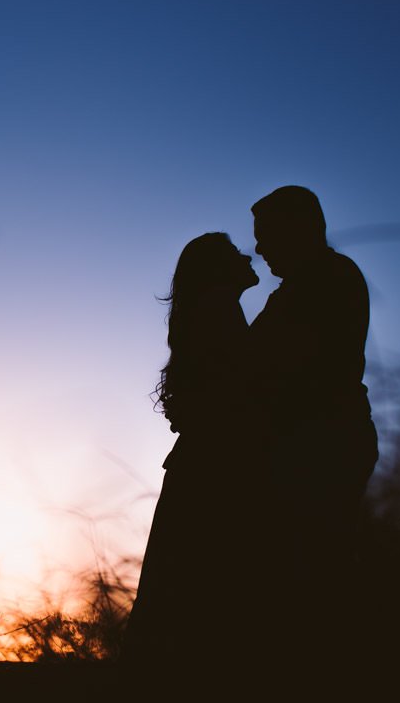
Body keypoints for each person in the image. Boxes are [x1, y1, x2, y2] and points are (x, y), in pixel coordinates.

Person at [121, 232, 262, 673]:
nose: (248, 255)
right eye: (234, 252)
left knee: (179, 588)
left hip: (201, 464)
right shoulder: (219, 311)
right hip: (213, 468)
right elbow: (237, 397)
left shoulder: (210, 313)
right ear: (217, 271)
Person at [247, 185, 378, 647]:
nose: (259, 248)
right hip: (313, 440)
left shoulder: (327, 280)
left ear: (298, 229)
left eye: (266, 235)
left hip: (321, 442)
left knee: (312, 570)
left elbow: (285, 370)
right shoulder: (305, 287)